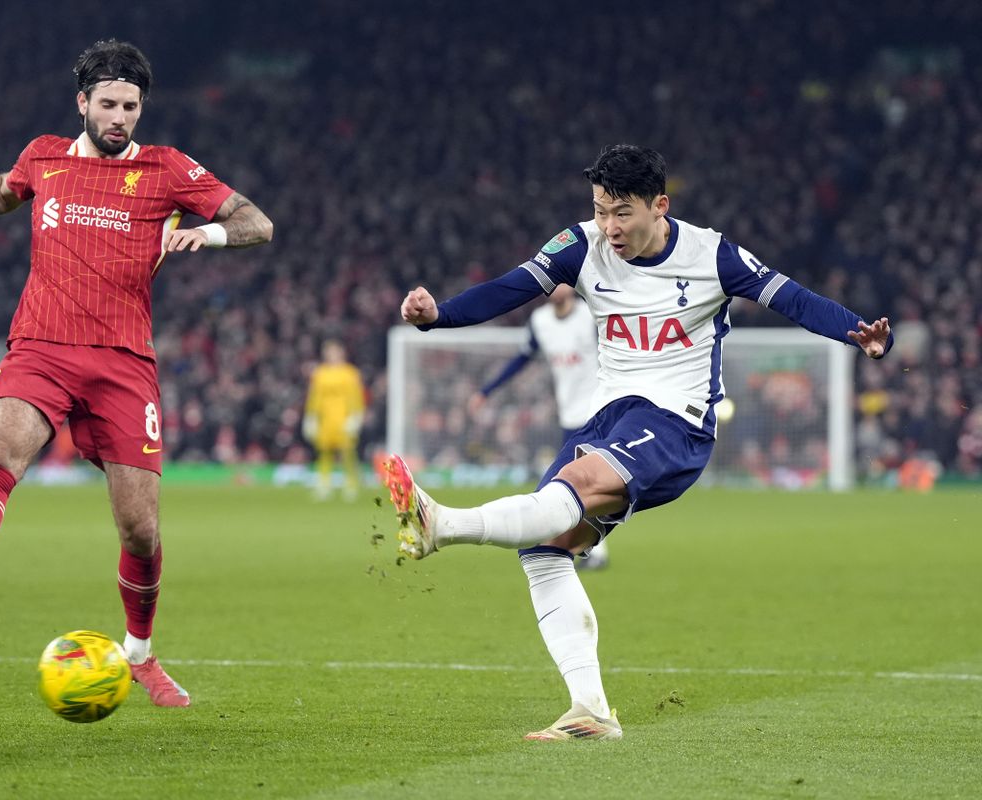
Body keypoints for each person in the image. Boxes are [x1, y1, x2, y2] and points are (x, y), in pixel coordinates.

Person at [378, 144, 891, 741]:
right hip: (610, 417)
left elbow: (794, 298)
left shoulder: (712, 255)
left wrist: (856, 332)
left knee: (574, 487)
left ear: (659, 205)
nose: (609, 227)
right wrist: (439, 314)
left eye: (622, 213)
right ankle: (589, 710)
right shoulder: (580, 245)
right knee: (545, 550)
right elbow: (510, 287)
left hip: (677, 423)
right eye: (600, 211)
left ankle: (440, 525)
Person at [0, 40, 273, 708]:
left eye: (130, 105)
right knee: (5, 446)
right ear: (83, 103)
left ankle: (139, 654)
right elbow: (4, 194)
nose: (120, 116)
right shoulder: (43, 155)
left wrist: (206, 235)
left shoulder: (166, 170)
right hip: (41, 342)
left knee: (140, 529)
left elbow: (257, 223)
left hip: (123, 360)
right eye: (108, 104)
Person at [467, 283, 610, 569]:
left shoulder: (591, 315)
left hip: (599, 409)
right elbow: (522, 359)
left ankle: (595, 550)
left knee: (584, 480)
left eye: (564, 281)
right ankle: (588, 547)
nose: (558, 287)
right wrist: (487, 390)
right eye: (554, 282)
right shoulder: (540, 322)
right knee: (578, 481)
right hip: (569, 416)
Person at [303, 339, 366, 500]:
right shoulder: (320, 373)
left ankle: (351, 484)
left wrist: (356, 416)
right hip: (326, 419)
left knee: (347, 452)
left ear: (341, 353)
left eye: (335, 351)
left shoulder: (350, 373)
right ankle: (324, 484)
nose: (332, 355)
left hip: (344, 418)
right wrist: (311, 417)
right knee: (324, 452)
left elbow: (356, 396)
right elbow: (315, 396)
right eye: (329, 352)